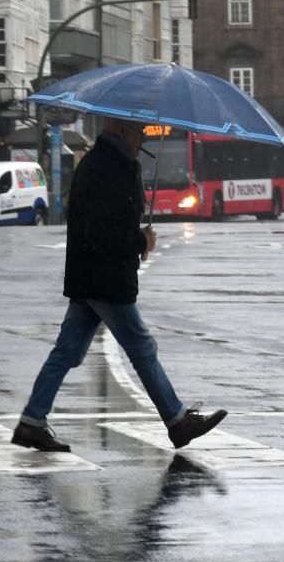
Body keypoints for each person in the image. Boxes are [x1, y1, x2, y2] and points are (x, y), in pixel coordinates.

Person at [11, 116, 226, 452]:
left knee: (66, 352)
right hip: (104, 279)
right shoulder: (106, 170)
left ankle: (31, 422)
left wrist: (138, 237)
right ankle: (177, 421)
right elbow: (101, 234)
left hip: (90, 277)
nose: (141, 138)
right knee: (142, 347)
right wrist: (141, 242)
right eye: (138, 131)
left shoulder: (108, 165)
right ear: (120, 130)